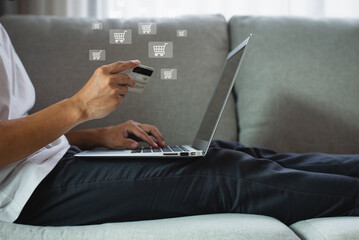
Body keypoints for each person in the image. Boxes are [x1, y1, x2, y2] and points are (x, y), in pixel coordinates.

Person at [0, 23, 358, 227]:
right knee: (224, 173)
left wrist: (96, 135)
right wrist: (79, 106)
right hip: (25, 193)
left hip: (48, 163)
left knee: (226, 152)